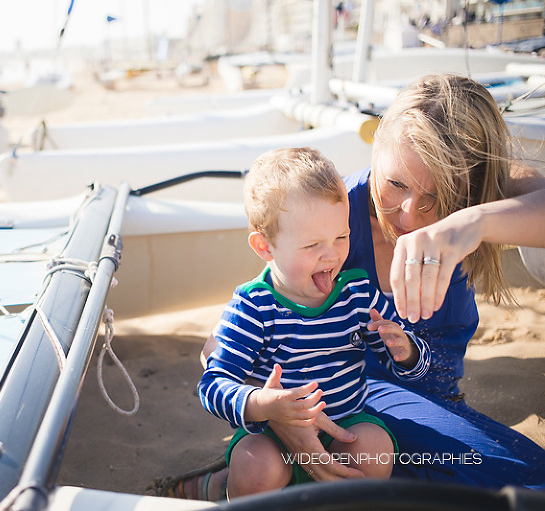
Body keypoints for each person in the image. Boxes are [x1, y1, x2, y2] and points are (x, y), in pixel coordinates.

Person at [167, 73, 545, 501]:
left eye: (438, 198)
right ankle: (251, 478)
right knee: (515, 476)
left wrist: (472, 223)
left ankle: (255, 481)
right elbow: (225, 344)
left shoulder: (476, 204)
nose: (407, 214)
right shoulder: (327, 221)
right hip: (354, 406)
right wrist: (281, 419)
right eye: (396, 184)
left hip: (427, 407)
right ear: (376, 143)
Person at [197, 147, 432, 499]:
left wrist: (405, 351)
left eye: (341, 237)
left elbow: (409, 364)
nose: (332, 255)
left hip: (344, 424)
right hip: (272, 439)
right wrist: (261, 403)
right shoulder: (254, 306)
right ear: (265, 247)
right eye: (312, 245)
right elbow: (213, 385)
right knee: (256, 464)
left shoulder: (356, 292)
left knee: (375, 448)